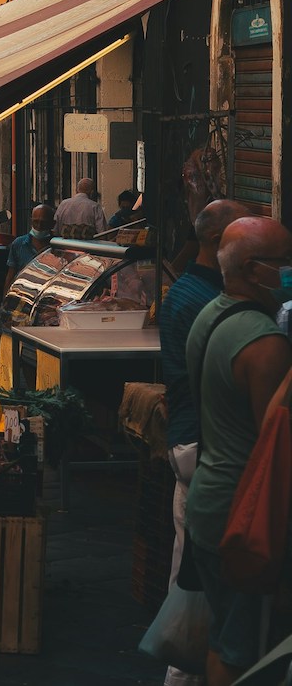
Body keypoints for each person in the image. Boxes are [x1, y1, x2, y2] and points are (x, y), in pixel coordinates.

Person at [184, 216, 292, 684]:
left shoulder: (211, 314)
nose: (289, 270)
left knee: (225, 638)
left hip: (210, 501)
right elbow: (276, 438)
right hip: (244, 514)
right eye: (284, 261)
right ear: (252, 269)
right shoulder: (265, 343)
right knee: (240, 649)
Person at [158, 199, 251, 686]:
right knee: (202, 580)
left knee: (191, 572)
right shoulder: (203, 303)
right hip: (203, 447)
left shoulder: (194, 294)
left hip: (192, 444)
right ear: (218, 244)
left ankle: (182, 669)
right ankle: (182, 670)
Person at [3, 204, 55, 298]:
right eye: (36, 222)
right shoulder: (18, 244)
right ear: (31, 221)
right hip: (23, 295)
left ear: (52, 224)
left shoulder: (57, 247)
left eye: (43, 223)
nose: (39, 226)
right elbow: (11, 275)